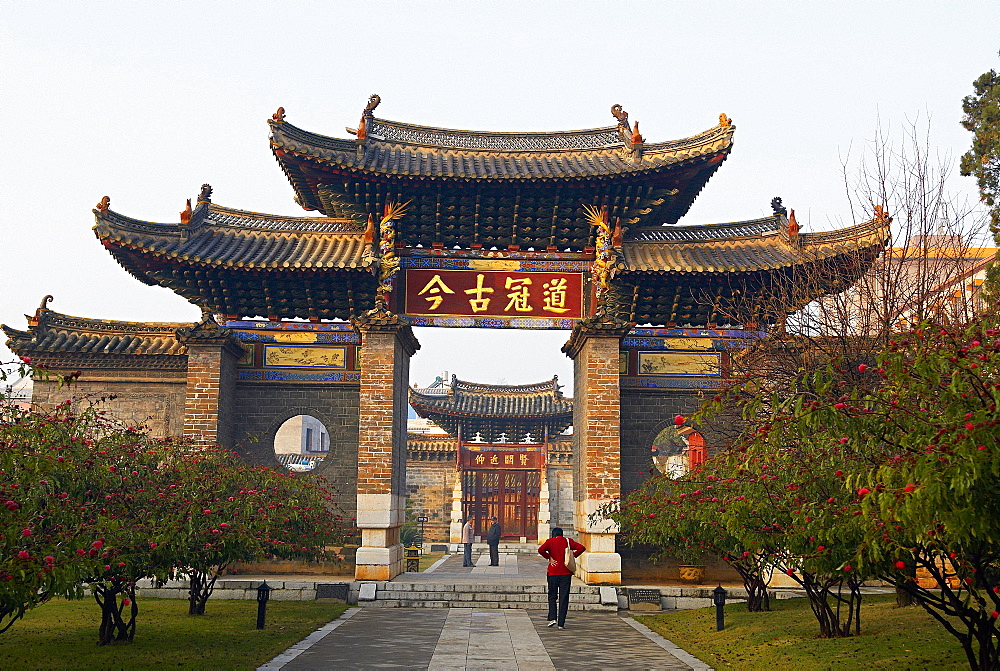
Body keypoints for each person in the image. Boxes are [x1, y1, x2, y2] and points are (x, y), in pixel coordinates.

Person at [537, 527, 585, 629]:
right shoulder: (568, 541)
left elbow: (540, 550)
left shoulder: (550, 542)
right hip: (566, 573)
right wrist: (573, 555)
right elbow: (582, 548)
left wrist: (549, 558)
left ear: (553, 534)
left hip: (553, 572)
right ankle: (561, 623)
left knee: (552, 596)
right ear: (562, 534)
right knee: (564, 597)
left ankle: (552, 617)